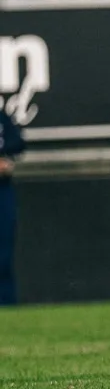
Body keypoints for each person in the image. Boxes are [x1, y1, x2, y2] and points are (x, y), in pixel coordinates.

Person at [0, 105, 25, 305]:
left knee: (3, 255)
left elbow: (17, 142)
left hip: (2, 191)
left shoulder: (1, 118)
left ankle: (7, 306)